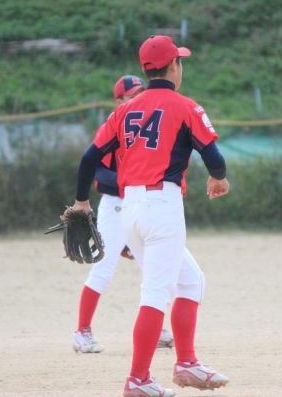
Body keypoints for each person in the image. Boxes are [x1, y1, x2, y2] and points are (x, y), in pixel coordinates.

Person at [71, 35, 230, 397]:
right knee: (156, 293)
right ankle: (138, 379)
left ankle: (187, 362)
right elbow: (213, 157)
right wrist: (219, 179)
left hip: (129, 209)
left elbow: (89, 158)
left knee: (191, 282)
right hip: (162, 206)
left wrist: (81, 202)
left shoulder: (123, 111)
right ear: (173, 66)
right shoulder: (185, 106)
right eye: (180, 61)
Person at [71, 75, 175, 353]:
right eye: (132, 95)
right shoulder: (114, 125)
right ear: (119, 101)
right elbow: (97, 169)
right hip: (116, 205)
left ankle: (156, 329)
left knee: (155, 269)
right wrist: (127, 181)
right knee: (103, 269)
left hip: (143, 205)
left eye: (141, 93)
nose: (138, 98)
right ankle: (82, 332)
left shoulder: (149, 126)